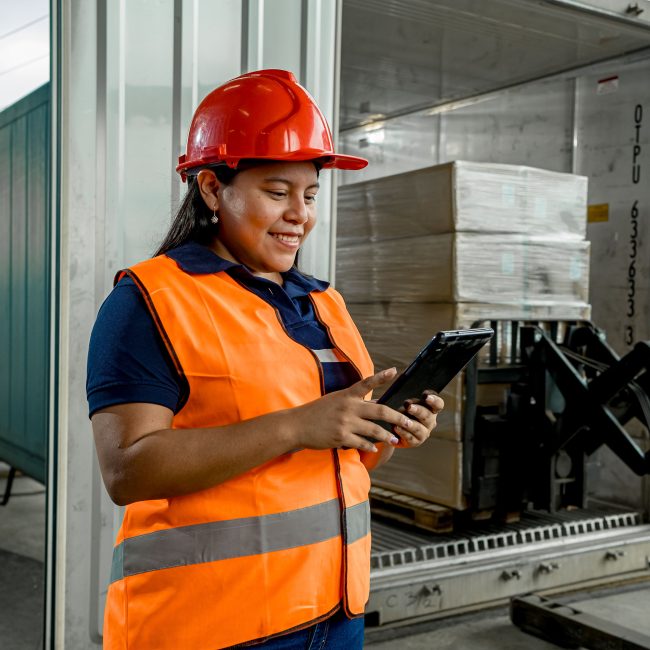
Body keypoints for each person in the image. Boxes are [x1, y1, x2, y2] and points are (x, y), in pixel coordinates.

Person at [87, 69, 444, 650]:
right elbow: (128, 471)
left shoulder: (324, 302)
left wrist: (382, 429)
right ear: (211, 189)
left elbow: (333, 466)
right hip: (212, 627)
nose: (299, 214)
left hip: (335, 614)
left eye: (309, 195)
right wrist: (298, 425)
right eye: (277, 192)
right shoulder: (148, 300)